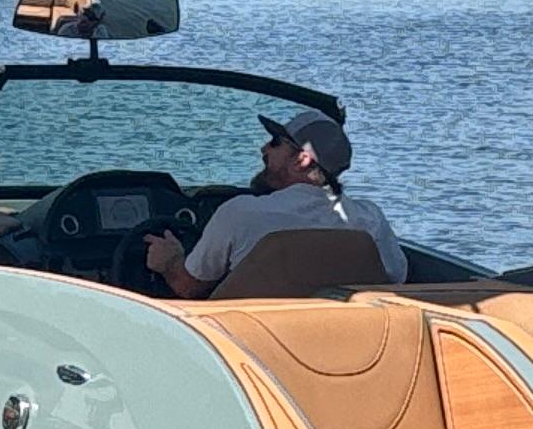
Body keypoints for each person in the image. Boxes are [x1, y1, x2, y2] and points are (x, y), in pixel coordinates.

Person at [147, 108, 402, 295]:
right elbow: (394, 282)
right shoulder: (370, 220)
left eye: (275, 142)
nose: (264, 149)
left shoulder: (241, 214)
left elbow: (188, 286)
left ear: (301, 160)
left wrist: (169, 260)